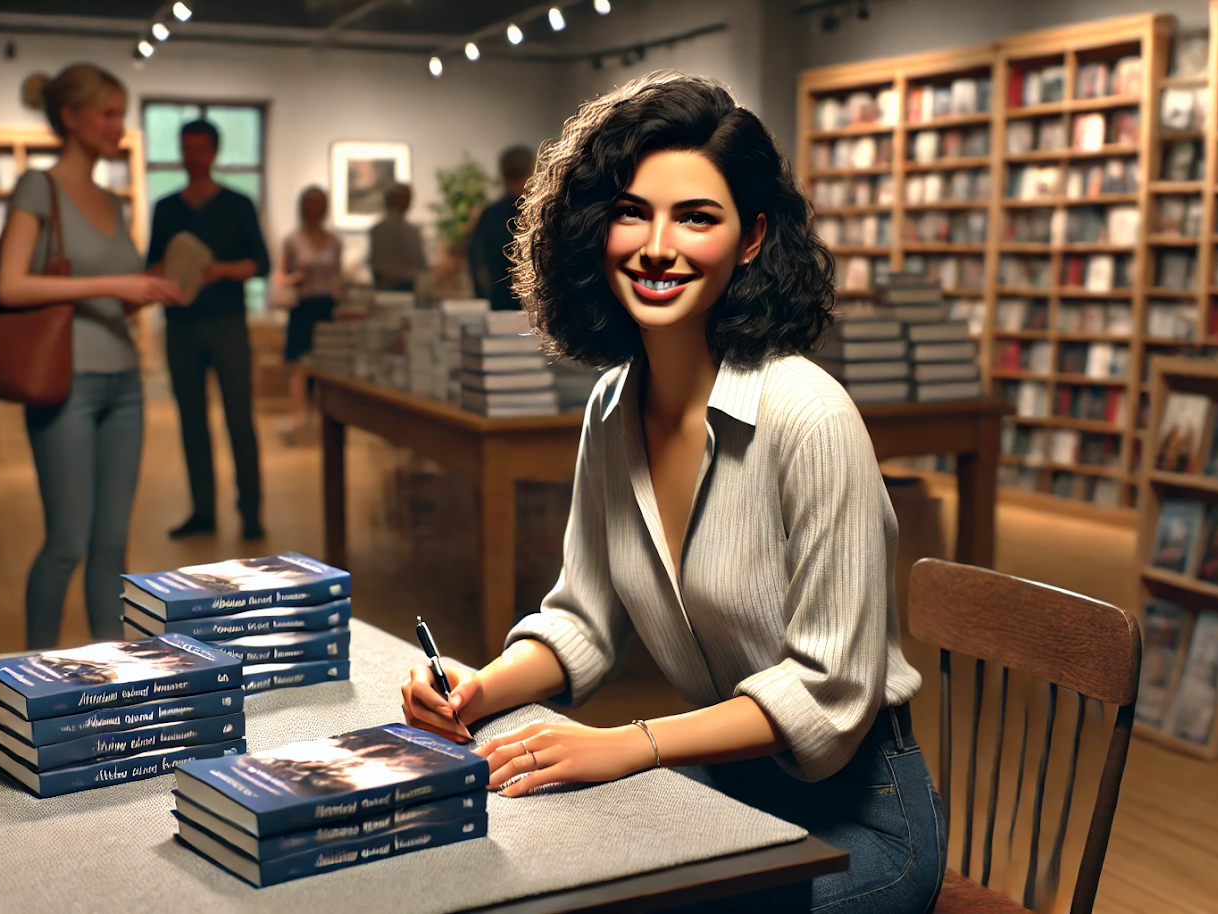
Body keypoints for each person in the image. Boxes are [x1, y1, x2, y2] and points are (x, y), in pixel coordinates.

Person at [399, 72, 945, 914]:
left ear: (753, 237)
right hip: (729, 788)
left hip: (862, 820)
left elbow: (828, 692)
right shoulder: (612, 405)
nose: (658, 246)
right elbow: (582, 619)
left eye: (696, 216)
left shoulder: (811, 416)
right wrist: (481, 688)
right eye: (632, 212)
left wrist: (633, 745)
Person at [0, 63, 185, 649]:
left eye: (121, 115)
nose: (118, 127)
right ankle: (30, 684)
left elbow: (115, 302)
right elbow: (11, 286)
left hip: (125, 384)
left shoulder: (115, 201)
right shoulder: (39, 187)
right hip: (65, 384)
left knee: (112, 545)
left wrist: (151, 287)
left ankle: (112, 671)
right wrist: (113, 286)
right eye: (107, 114)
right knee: (66, 542)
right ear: (71, 117)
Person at [146, 119, 271, 542]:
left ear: (214, 152)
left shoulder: (238, 204)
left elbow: (261, 264)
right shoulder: (165, 207)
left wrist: (219, 271)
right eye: (185, 148)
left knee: (240, 417)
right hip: (180, 326)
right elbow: (153, 265)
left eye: (199, 149)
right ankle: (202, 510)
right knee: (191, 421)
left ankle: (251, 512)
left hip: (227, 325)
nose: (191, 157)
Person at [277, 185, 342, 441]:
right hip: (303, 305)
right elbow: (281, 276)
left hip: (326, 305)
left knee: (324, 366)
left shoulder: (334, 241)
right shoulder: (293, 240)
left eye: (319, 204)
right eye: (310, 204)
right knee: (300, 365)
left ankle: (321, 417)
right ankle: (298, 418)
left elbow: (338, 276)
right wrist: (297, 277)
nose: (315, 209)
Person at [467, 145, 537, 310]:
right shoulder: (540, 213)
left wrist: (483, 296)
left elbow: (476, 261)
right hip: (529, 305)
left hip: (499, 303)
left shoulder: (490, 214)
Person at [368, 183, 426, 292]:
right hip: (405, 287)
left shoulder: (376, 229)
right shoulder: (411, 231)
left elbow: (373, 263)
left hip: (383, 287)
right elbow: (419, 265)